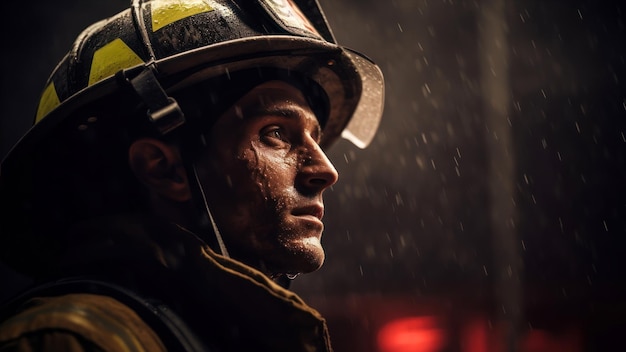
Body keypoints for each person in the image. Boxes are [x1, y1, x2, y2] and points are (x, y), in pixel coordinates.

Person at [0, 0, 384, 350]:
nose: (325, 170)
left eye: (315, 138)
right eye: (276, 134)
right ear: (163, 168)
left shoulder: (217, 334)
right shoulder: (71, 341)